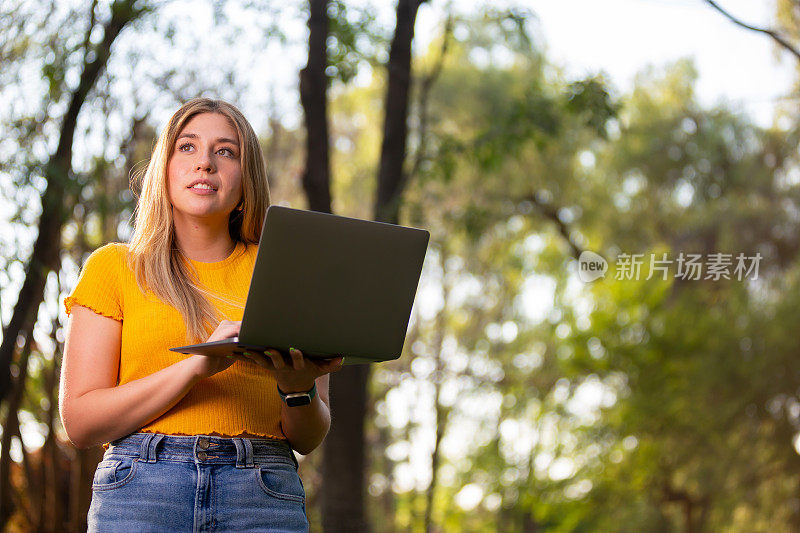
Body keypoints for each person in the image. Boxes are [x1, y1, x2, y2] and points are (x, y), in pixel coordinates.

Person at [58, 97, 344, 532]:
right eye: (187, 147)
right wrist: (197, 366)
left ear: (245, 178)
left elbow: (308, 436)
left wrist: (296, 387)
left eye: (225, 151)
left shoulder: (288, 271)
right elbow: (81, 422)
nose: (205, 163)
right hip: (141, 490)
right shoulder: (113, 267)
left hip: (261, 493)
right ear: (165, 167)